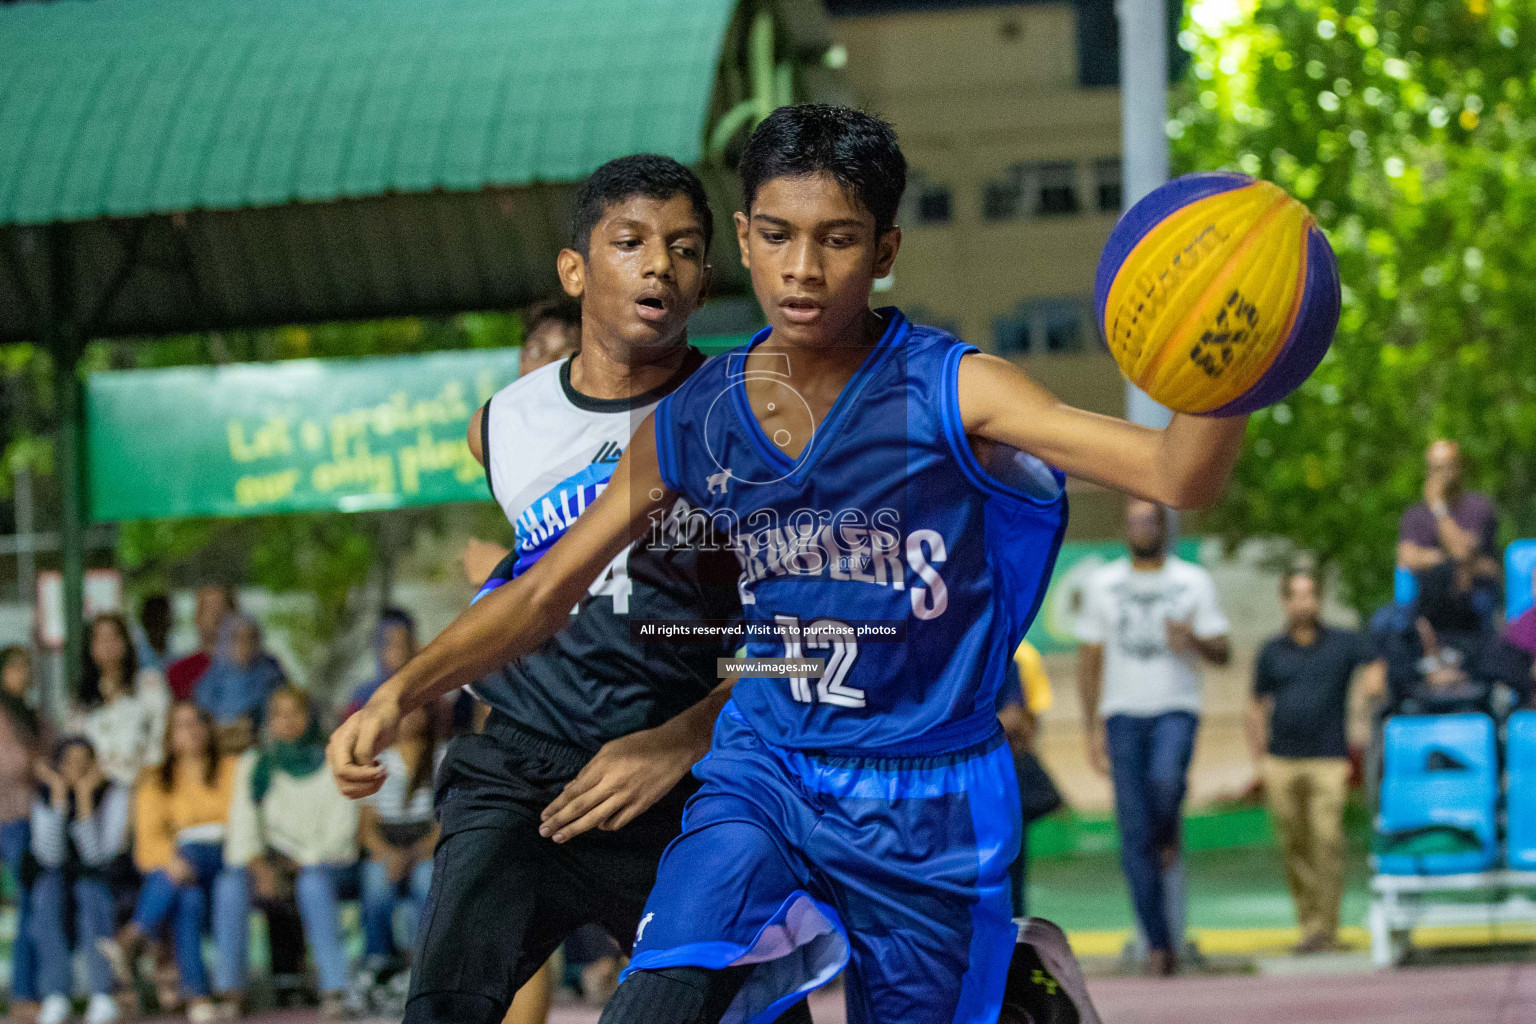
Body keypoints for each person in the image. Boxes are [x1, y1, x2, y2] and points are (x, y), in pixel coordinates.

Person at [332, 104, 1239, 1023]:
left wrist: (1233, 358)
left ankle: (1021, 992)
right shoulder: (700, 414)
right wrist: (401, 691)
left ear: (884, 249)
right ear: (744, 239)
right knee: (655, 1006)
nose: (802, 270)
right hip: (763, 774)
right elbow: (545, 588)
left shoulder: (956, 390)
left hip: (928, 792)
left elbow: (1178, 473)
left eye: (836, 240)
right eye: (777, 236)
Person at [1076, 499, 1230, 976]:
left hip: (1174, 708)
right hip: (1122, 714)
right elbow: (1090, 658)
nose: (1142, 526)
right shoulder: (1103, 583)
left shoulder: (1192, 581)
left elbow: (1223, 651)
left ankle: (1169, 830)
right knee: (1133, 834)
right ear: (1126, 528)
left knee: (1166, 785)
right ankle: (1159, 944)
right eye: (1135, 519)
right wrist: (1090, 726)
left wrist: (1195, 640)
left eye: (1150, 519)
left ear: (1165, 526)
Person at [1247, 570, 1383, 954]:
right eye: (1295, 595)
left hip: (1328, 758)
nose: (1302, 602)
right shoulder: (1271, 650)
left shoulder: (1342, 643)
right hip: (1281, 760)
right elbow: (1255, 704)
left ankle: (1327, 926)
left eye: (1309, 595)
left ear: (1319, 600)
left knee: (1327, 840)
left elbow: (1376, 661)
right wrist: (1259, 757)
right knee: (1293, 844)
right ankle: (1309, 923)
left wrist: (1373, 686)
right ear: (1285, 600)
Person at [102, 703, 241, 1022]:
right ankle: (198, 996)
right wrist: (173, 860)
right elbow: (147, 845)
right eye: (181, 725)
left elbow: (239, 822)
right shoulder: (154, 780)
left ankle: (135, 936)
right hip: (184, 869)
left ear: (208, 728)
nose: (190, 731)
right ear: (168, 736)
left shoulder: (231, 768)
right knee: (187, 899)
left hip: (228, 858)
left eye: (197, 723)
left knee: (191, 852)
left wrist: (181, 856)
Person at [226, 687, 358, 1019]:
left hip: (326, 864)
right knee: (229, 886)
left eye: (294, 713)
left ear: (310, 716)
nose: (286, 722)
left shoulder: (333, 759)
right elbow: (243, 826)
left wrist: (303, 861)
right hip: (271, 864)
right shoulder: (256, 765)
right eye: (278, 715)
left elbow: (342, 830)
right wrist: (260, 867)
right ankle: (230, 991)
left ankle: (334, 988)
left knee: (313, 883)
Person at [459, 298, 583, 590]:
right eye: (536, 351)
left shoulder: (622, 441)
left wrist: (502, 567)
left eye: (565, 353)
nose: (546, 366)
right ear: (520, 361)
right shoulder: (498, 440)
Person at [30, 737, 130, 1024]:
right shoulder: (46, 797)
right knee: (46, 890)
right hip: (60, 881)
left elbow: (98, 858)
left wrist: (85, 798)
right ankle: (55, 996)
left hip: (107, 881)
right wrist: (60, 797)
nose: (77, 769)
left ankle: (102, 994)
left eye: (85, 762)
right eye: (69, 763)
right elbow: (49, 857)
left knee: (90, 887)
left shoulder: (113, 794)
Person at [356, 704, 440, 974]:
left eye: (415, 710)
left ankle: (423, 961)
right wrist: (388, 854)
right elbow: (366, 828)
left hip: (428, 845)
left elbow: (447, 819)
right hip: (387, 843)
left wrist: (416, 854)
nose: (408, 718)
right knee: (376, 883)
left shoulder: (441, 756)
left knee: (425, 881)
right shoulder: (377, 760)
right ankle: (378, 960)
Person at [997, 639, 1059, 920]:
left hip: (996, 780)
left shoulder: (1015, 657)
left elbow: (1020, 721)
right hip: (978, 778)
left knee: (1008, 872)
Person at [74, 613, 170, 788]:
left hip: (142, 783)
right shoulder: (81, 699)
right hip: (95, 790)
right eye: (100, 639)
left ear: (125, 642)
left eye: (113, 636)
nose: (107, 645)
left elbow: (160, 737)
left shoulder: (149, 684)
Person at [1, 646, 44, 1021]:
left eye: (27, 667)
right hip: (5, 821)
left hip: (26, 821)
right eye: (17, 667)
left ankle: (24, 992)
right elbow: (14, 766)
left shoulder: (32, 716)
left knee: (33, 899)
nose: (24, 674)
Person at [1397, 440, 1500, 595]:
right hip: (1428, 598)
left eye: (1449, 466)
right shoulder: (1415, 515)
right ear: (1428, 471)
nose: (1443, 474)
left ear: (1458, 467)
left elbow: (1462, 553)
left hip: (1474, 597)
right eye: (1437, 468)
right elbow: (1407, 558)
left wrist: (1439, 509)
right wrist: (1448, 561)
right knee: (1385, 619)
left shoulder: (1479, 507)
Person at [194, 614, 286, 753]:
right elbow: (202, 718)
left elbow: (280, 715)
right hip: (218, 752)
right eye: (237, 638)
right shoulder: (211, 680)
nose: (244, 644)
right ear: (225, 641)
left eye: (250, 638)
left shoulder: (271, 677)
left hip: (260, 750)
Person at [345, 609, 417, 721]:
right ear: (379, 646)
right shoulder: (363, 694)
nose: (398, 652)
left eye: (403, 643)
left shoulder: (425, 690)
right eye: (390, 643)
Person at [167, 587, 235, 702]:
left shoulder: (252, 668)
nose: (216, 614)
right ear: (197, 617)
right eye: (209, 608)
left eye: (221, 607)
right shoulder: (179, 671)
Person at [135, 594, 175, 677]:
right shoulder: (135, 656)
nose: (159, 624)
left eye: (163, 618)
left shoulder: (176, 653)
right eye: (154, 618)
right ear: (144, 621)